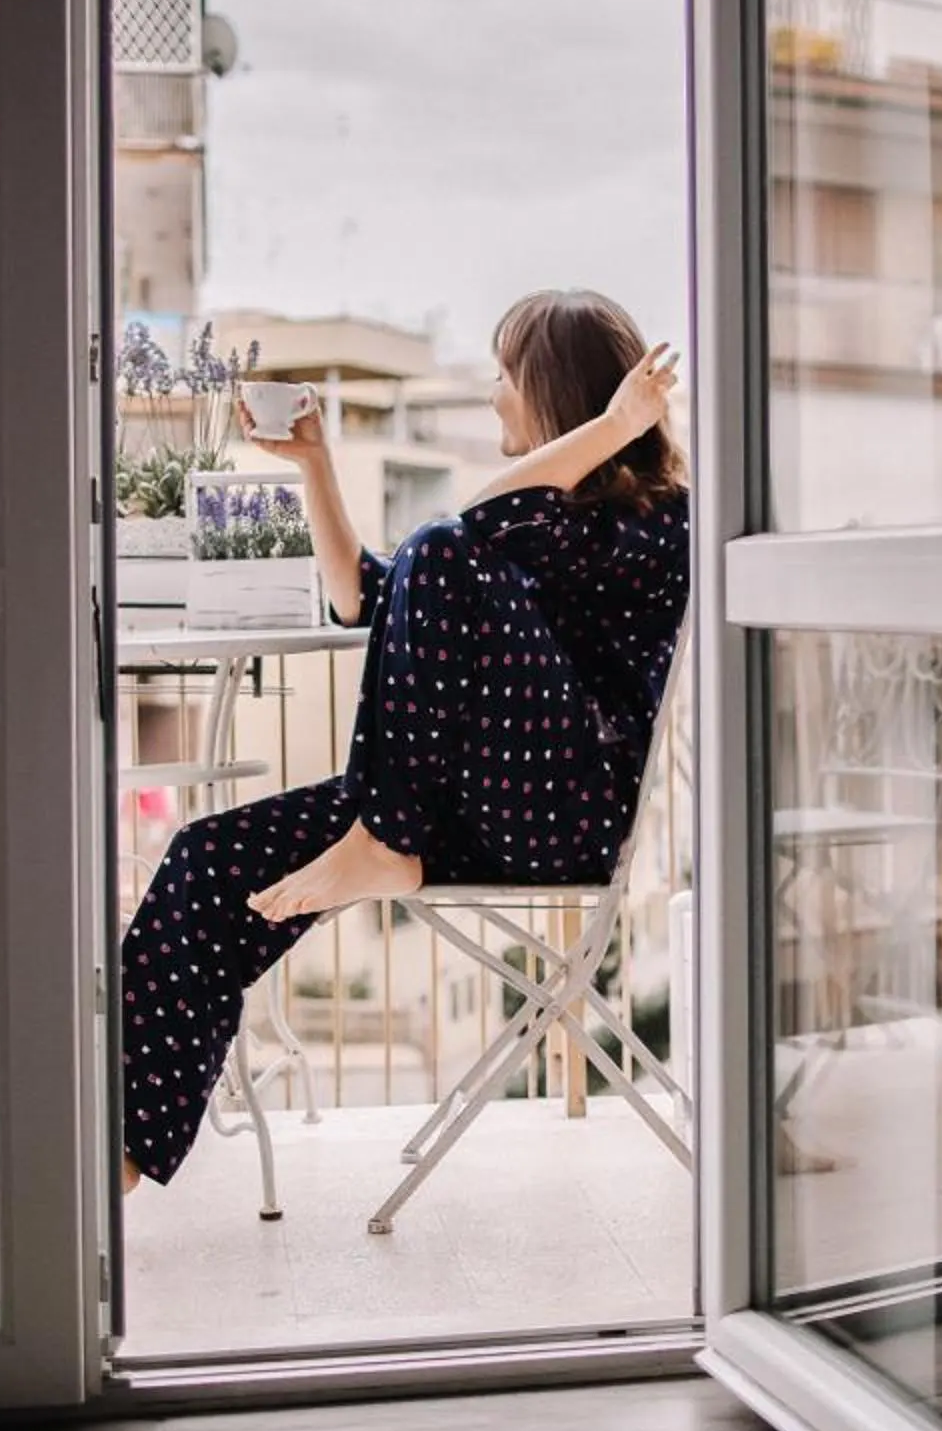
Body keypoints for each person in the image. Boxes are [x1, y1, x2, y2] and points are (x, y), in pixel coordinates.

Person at [119, 289, 690, 1190]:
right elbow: (366, 597)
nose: (495, 397)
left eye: (507, 377)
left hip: (558, 815)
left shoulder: (650, 521)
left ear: (559, 393)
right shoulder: (527, 529)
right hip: (450, 810)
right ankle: (119, 1157)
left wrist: (614, 430)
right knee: (204, 862)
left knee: (441, 545)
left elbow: (460, 529)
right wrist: (316, 467)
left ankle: (379, 843)